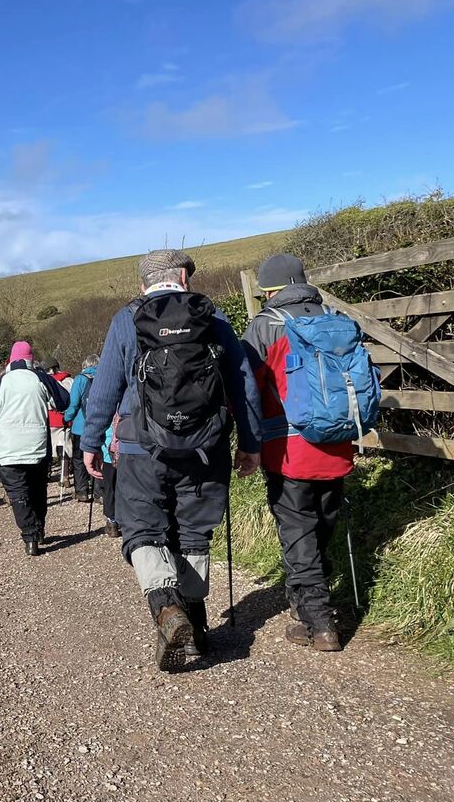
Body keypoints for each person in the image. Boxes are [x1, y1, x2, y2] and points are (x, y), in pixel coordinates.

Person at [80, 249, 262, 671]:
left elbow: (104, 388)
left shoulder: (127, 319)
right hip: (206, 448)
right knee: (194, 534)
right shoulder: (213, 320)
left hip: (142, 448)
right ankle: (196, 628)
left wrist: (91, 440)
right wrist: (250, 443)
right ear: (183, 276)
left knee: (143, 530)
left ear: (143, 285)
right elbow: (243, 386)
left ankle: (166, 609)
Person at [241, 254, 357, 653]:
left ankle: (318, 621)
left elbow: (248, 391)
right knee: (322, 523)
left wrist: (247, 444)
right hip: (337, 443)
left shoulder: (265, 326)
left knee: (297, 532)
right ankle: (305, 597)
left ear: (269, 289)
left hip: (287, 449)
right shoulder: (336, 319)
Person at [0, 341, 70, 556]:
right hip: (38, 446)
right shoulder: (41, 378)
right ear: (31, 359)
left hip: (8, 448)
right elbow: (63, 402)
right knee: (38, 489)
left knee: (18, 493)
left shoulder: (0, 383)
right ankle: (38, 529)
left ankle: (30, 536)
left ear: (11, 360)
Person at [63, 355, 98, 503]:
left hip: (80, 427)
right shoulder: (105, 376)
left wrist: (67, 418)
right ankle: (99, 492)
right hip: (100, 425)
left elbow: (74, 402)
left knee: (79, 460)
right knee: (98, 459)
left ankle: (82, 491)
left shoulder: (80, 379)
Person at [42, 359, 74, 487]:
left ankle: (47, 473)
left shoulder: (46, 382)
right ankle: (65, 476)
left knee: (48, 447)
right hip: (66, 417)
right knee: (65, 447)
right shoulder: (69, 381)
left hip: (51, 417)